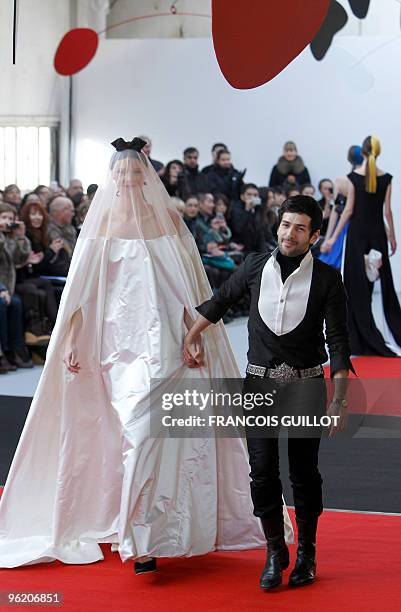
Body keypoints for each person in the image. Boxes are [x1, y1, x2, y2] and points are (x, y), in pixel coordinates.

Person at [0, 136, 293, 570]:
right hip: (114, 348)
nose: (130, 180)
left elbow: (187, 288)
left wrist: (193, 335)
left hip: (163, 347)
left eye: (137, 172)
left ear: (147, 175)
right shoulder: (99, 225)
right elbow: (80, 294)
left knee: (147, 434)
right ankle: (129, 525)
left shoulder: (166, 222)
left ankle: (145, 539)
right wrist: (74, 340)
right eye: (122, 173)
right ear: (113, 178)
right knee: (122, 433)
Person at [184, 195, 354, 591]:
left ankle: (307, 553)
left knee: (304, 474)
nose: (289, 234)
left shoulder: (328, 280)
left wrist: (340, 399)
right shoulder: (254, 265)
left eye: (299, 228)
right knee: (261, 472)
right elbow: (221, 300)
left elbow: (339, 341)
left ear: (313, 236)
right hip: (258, 383)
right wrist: (192, 336)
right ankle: (275, 552)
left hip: (306, 385)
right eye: (285, 225)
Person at [323, 135, 401, 356]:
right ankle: (391, 332)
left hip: (358, 236)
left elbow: (348, 211)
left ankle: (360, 337)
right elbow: (387, 211)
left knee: (356, 285)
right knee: (383, 284)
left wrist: (332, 238)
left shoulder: (352, 178)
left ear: (363, 152)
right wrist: (392, 237)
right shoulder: (387, 178)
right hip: (378, 234)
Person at [320, 145, 363, 270]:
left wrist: (328, 239)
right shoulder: (369, 182)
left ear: (349, 159)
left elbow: (336, 210)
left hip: (344, 227)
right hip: (361, 226)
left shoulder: (341, 181)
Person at [0, 203, 33, 368]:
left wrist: (20, 237)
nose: (8, 222)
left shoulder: (10, 238)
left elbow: (19, 259)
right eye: (4, 217)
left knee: (16, 304)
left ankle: (15, 350)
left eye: (11, 218)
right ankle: (4, 351)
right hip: (2, 289)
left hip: (6, 289)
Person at [229, 183, 265, 255]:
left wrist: (264, 254)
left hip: (253, 250)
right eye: (249, 194)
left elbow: (260, 234)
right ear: (242, 196)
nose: (252, 197)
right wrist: (247, 209)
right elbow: (239, 229)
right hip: (240, 248)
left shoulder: (258, 210)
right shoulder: (235, 209)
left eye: (255, 195)